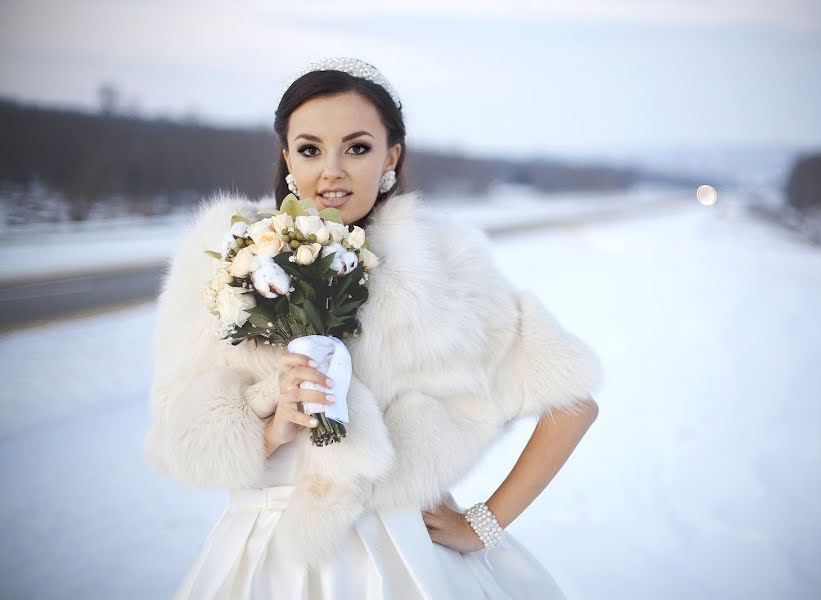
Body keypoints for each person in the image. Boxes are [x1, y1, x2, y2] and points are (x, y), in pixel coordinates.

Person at [144, 56, 603, 599]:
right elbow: (174, 433)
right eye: (311, 149)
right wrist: (272, 422)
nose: (331, 171)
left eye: (357, 148)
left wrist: (484, 523)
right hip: (267, 558)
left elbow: (574, 406)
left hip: (404, 561)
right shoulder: (230, 257)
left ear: (392, 155)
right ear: (287, 156)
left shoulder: (444, 268)